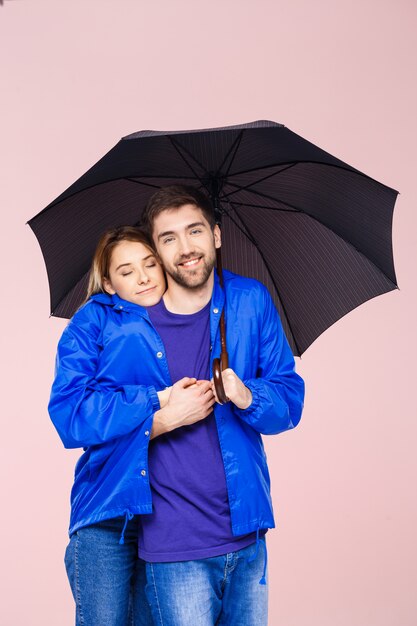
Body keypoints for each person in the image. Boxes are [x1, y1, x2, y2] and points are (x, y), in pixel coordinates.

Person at [138, 185, 305, 625]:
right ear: (154, 251)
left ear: (216, 235)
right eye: (169, 238)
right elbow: (99, 422)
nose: (186, 248)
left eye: (195, 231)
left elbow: (289, 400)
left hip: (247, 534)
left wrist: (247, 396)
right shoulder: (131, 323)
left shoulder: (250, 301)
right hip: (175, 547)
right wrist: (165, 417)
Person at [48, 226, 215, 626]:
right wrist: (156, 401)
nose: (142, 277)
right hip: (107, 512)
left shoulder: (194, 314)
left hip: (173, 520)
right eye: (126, 271)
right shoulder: (93, 322)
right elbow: (71, 414)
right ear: (108, 282)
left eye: (149, 264)